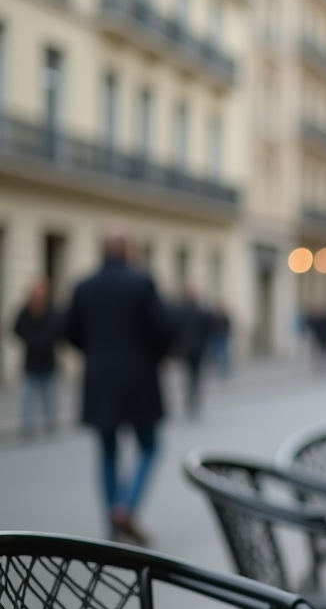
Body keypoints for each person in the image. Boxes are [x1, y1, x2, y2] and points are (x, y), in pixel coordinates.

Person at [63, 223, 174, 544]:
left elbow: (70, 332)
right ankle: (124, 506)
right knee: (150, 446)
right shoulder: (141, 283)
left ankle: (113, 517)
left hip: (99, 380)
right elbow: (162, 329)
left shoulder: (83, 286)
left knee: (107, 452)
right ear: (128, 249)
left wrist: (96, 353)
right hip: (138, 379)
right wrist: (151, 356)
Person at [11, 279, 61, 437]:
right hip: (31, 361)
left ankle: (51, 425)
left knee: (49, 397)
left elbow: (57, 329)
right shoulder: (25, 311)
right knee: (28, 397)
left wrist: (42, 340)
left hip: (48, 361)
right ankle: (27, 427)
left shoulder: (51, 311)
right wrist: (31, 339)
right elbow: (16, 329)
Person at [173, 285, 213, 417]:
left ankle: (189, 401)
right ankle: (194, 400)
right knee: (196, 375)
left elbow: (175, 331)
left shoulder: (180, 312)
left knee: (188, 375)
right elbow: (208, 330)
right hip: (198, 349)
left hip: (185, 349)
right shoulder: (201, 312)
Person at [209, 302, 232, 377]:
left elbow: (228, 325)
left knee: (223, 352)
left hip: (222, 336)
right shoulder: (214, 317)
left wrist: (226, 332)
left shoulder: (224, 317)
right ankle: (219, 366)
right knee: (216, 353)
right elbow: (211, 326)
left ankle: (224, 367)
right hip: (215, 336)